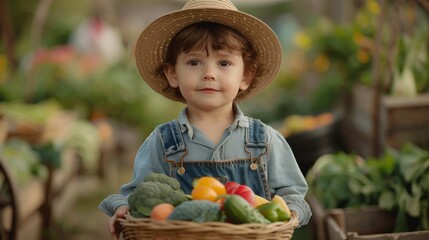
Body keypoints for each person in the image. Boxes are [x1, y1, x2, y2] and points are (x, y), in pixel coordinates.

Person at [99, 0, 312, 239]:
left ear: (246, 76)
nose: (209, 73)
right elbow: (137, 195)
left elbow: (293, 195)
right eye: (194, 62)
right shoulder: (163, 141)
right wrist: (121, 207)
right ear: (172, 74)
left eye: (224, 63)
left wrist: (289, 212)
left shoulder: (265, 140)